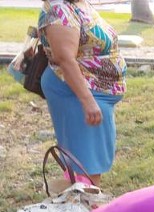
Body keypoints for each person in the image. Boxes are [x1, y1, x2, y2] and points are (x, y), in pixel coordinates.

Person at [38, 0, 126, 187]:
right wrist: (88, 101)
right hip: (76, 93)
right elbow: (65, 59)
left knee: (84, 158)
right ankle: (84, 207)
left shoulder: (79, 4)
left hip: (90, 93)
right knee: (86, 161)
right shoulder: (59, 9)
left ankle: (78, 203)